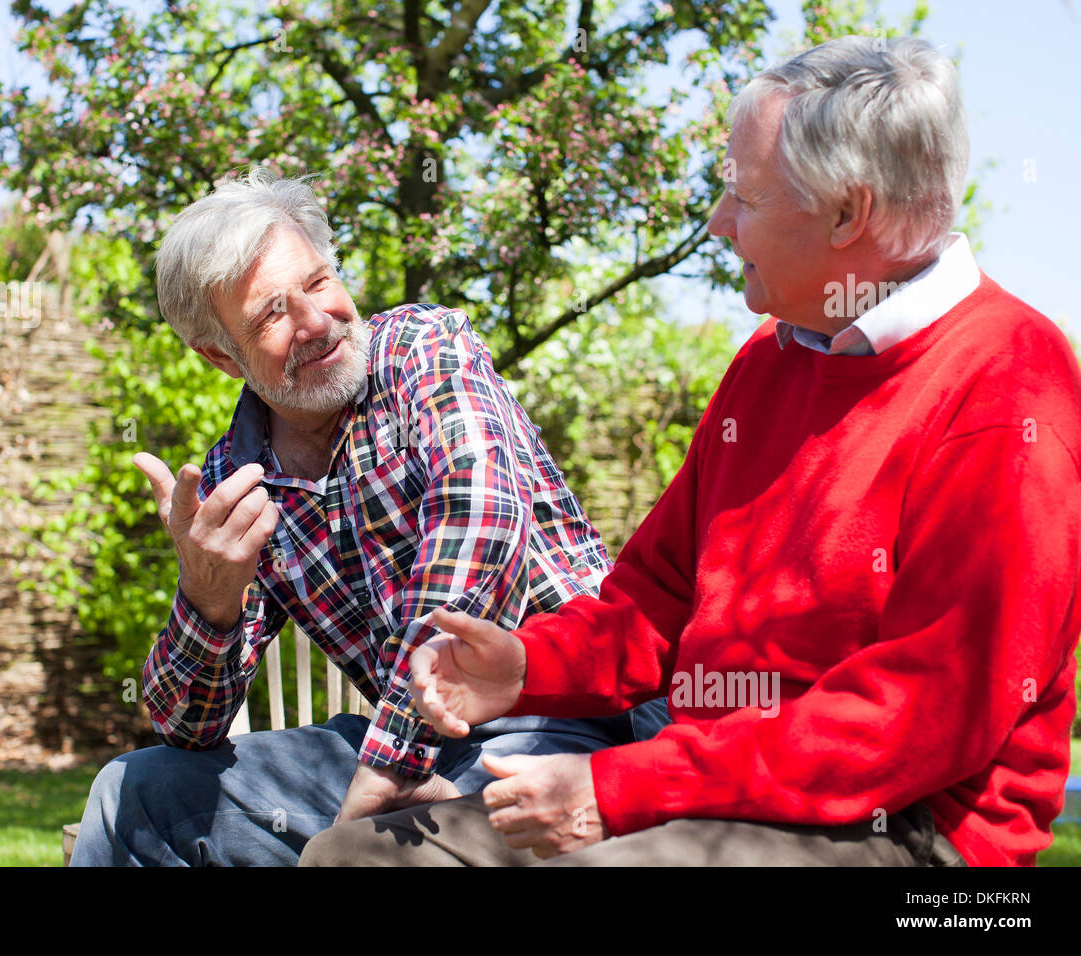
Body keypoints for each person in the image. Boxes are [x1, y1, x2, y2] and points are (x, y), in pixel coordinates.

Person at [299, 35, 1081, 868]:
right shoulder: (772, 360)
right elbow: (656, 598)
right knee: (353, 858)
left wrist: (624, 786)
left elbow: (916, 722)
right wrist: (525, 667)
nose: (718, 222)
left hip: (904, 829)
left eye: (744, 195)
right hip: (714, 790)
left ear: (848, 214)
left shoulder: (1011, 383)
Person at [69, 167, 670, 866]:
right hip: (407, 760)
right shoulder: (238, 482)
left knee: (383, 850)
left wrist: (392, 762)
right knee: (135, 794)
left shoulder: (425, 348)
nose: (316, 322)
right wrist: (207, 597)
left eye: (319, 282)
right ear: (220, 356)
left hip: (572, 722)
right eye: (271, 314)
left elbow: (479, 524)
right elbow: (185, 727)